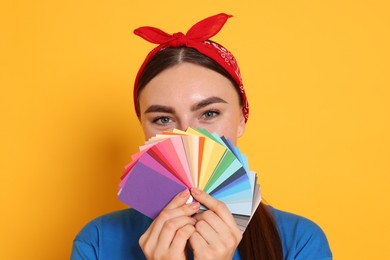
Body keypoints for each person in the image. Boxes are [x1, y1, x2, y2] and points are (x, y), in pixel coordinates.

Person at [71, 13, 332, 260]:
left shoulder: (301, 240)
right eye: (163, 119)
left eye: (209, 113)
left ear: (242, 118)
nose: (188, 136)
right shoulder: (96, 241)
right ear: (142, 126)